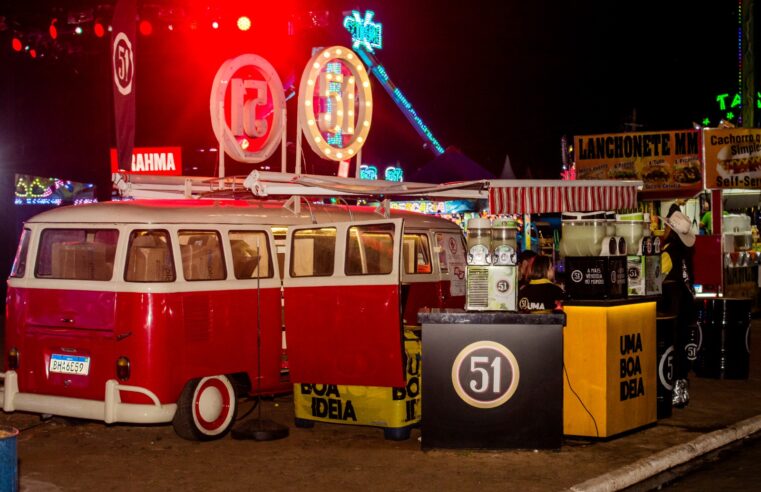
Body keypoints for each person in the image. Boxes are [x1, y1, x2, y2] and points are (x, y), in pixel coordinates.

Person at [660, 211, 696, 408]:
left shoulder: (668, 252)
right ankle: (681, 389)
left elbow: (657, 279)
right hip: (687, 305)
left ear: (670, 230)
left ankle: (672, 388)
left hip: (672, 307)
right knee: (681, 346)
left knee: (671, 346)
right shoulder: (685, 252)